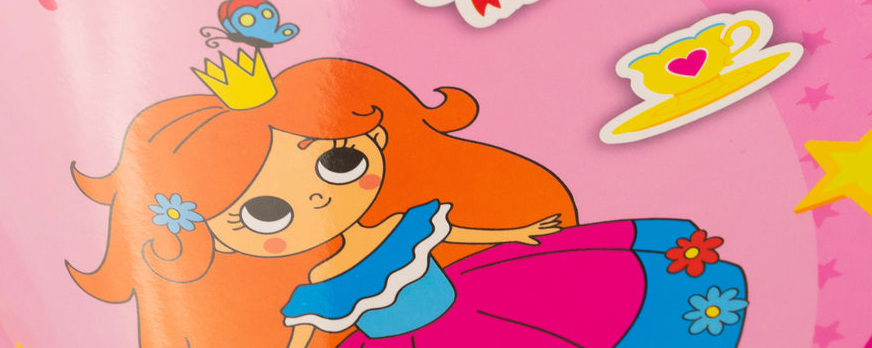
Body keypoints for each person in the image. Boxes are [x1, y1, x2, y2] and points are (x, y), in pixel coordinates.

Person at [70, 57, 747, 347]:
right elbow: (303, 337)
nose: (317, 196)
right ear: (212, 236)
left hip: (484, 311)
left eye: (339, 162)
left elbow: (459, 236)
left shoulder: (393, 226)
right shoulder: (316, 286)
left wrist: (520, 236)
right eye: (264, 213)